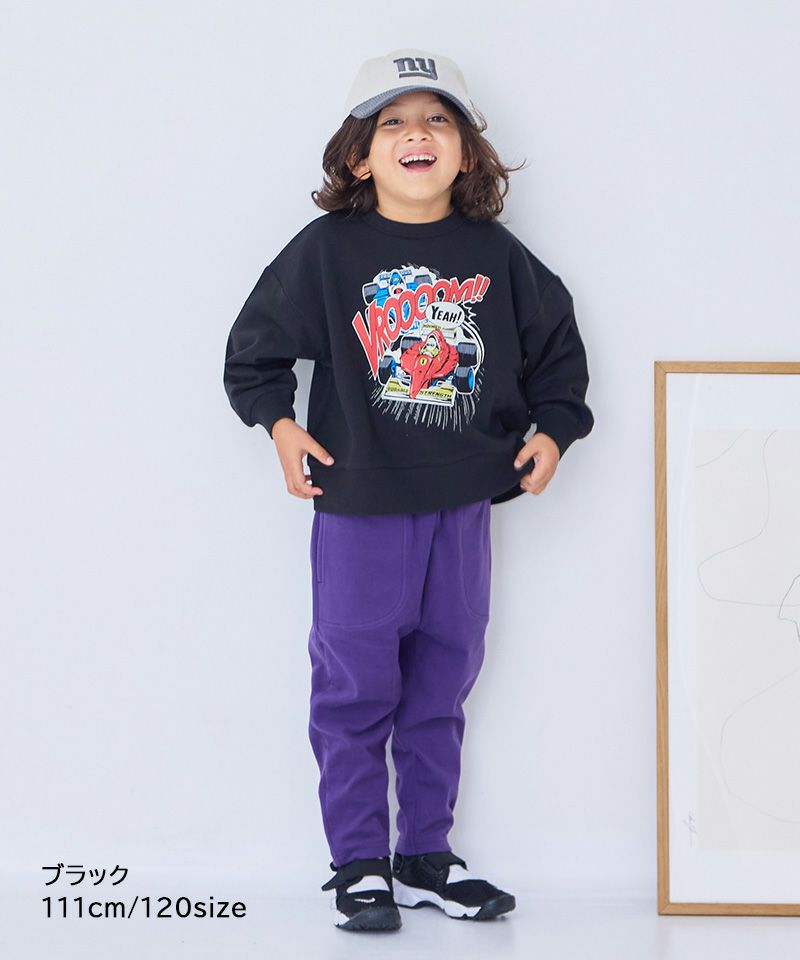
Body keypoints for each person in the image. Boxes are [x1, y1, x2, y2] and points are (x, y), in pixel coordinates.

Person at [223, 47, 595, 933]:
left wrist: (554, 430)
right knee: (355, 687)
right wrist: (280, 427)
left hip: (462, 504)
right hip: (357, 503)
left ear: (465, 151)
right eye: (392, 121)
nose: (416, 133)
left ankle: (425, 856)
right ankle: (359, 863)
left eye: (437, 119)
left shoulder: (495, 255)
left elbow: (559, 352)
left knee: (443, 681)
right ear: (359, 156)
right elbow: (253, 352)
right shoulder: (326, 252)